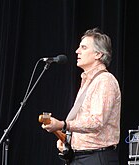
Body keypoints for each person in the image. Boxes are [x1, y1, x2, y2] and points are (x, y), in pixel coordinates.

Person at [42, 28, 121, 165]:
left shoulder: (105, 81)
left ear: (98, 54)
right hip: (82, 157)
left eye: (83, 47)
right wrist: (68, 140)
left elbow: (96, 122)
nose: (77, 51)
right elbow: (84, 121)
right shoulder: (88, 81)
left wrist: (63, 125)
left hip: (96, 157)